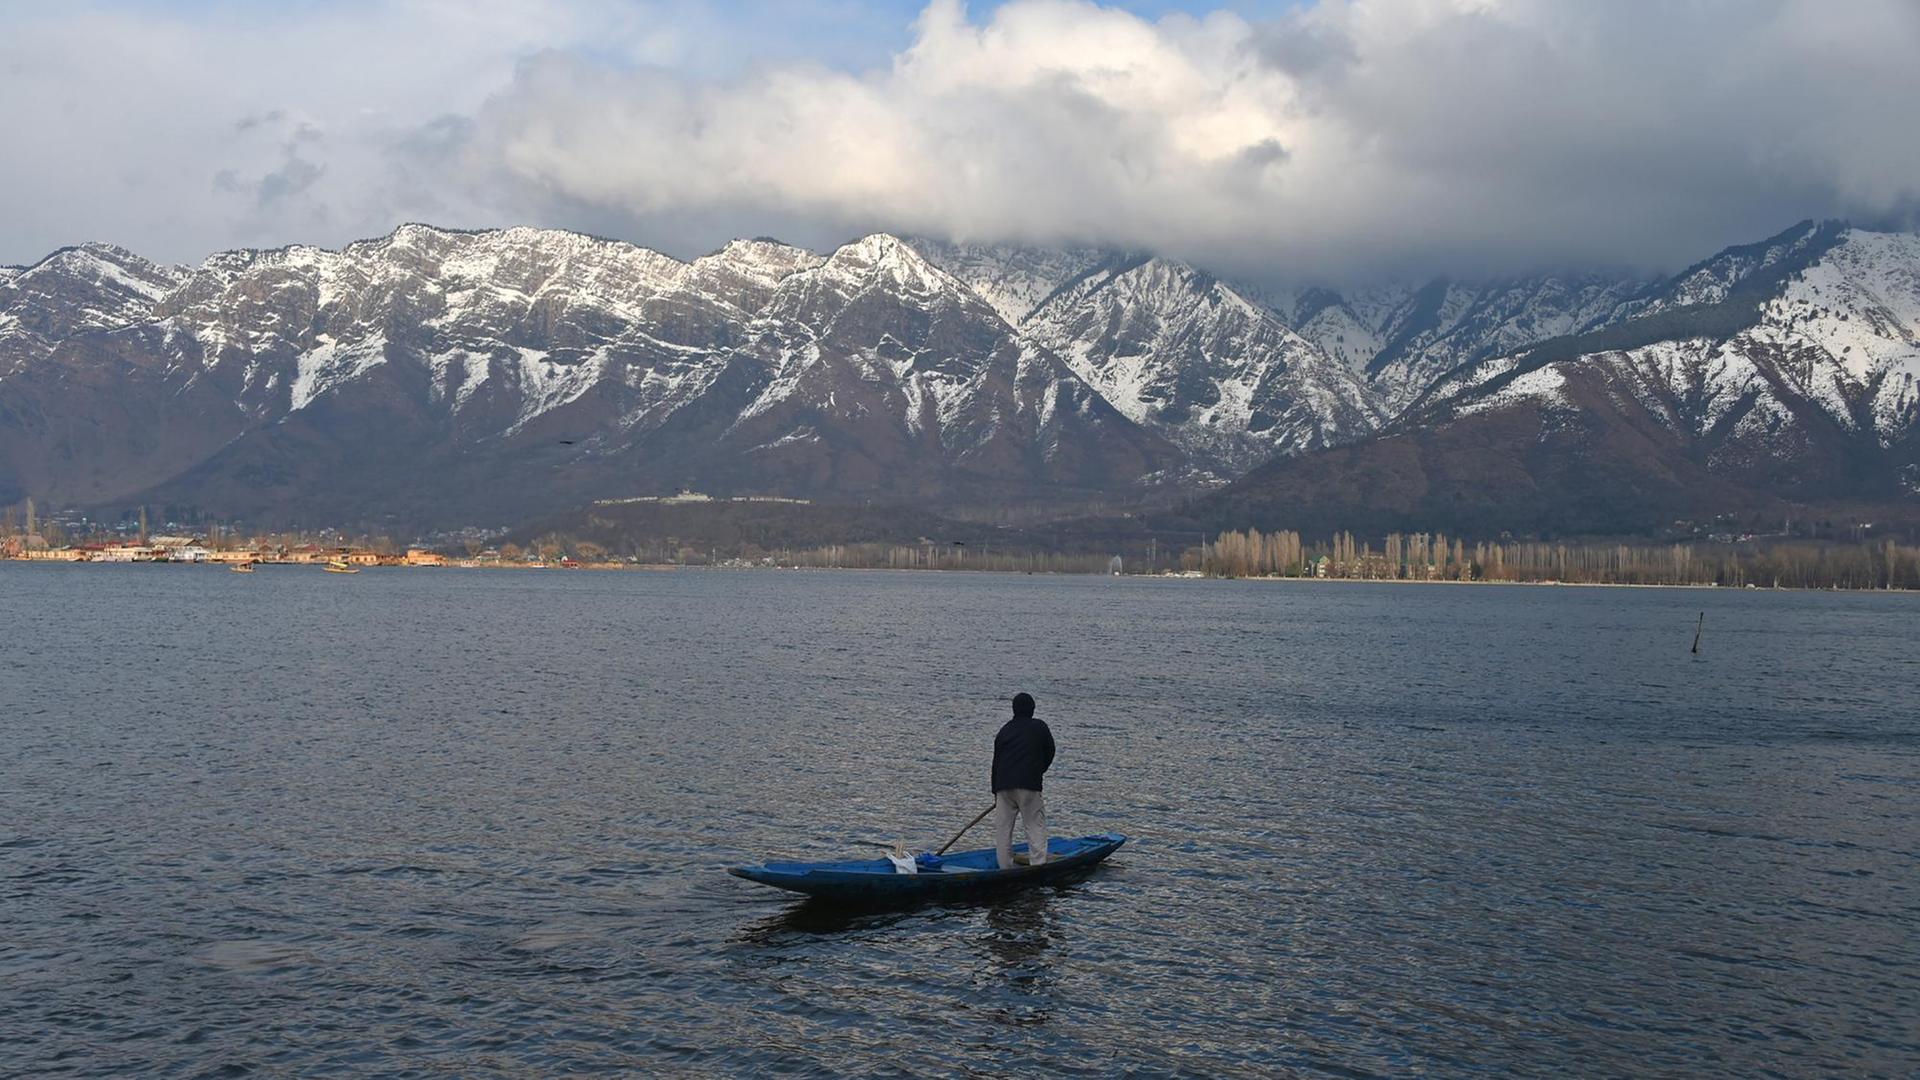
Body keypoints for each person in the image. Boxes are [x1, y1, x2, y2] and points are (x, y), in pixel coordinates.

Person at [992, 692, 1055, 870]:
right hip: (1029, 785)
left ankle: (1004, 867)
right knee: (1035, 826)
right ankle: (1038, 866)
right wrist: (1039, 771)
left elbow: (996, 762)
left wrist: (995, 791)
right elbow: (1050, 751)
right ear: (1032, 710)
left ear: (1014, 710)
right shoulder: (1039, 727)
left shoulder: (1004, 730)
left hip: (1003, 786)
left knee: (1003, 829)